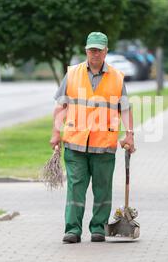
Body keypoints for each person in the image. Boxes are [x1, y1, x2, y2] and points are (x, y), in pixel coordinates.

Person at [50, 32, 135, 244]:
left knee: (102, 189)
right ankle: (72, 230)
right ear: (86, 50)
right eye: (91, 49)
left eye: (98, 49)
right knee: (76, 189)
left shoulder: (116, 77)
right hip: (75, 142)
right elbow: (61, 106)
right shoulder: (72, 74)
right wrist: (55, 132)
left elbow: (124, 109)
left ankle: (98, 228)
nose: (94, 53)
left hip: (104, 144)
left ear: (106, 51)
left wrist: (130, 134)